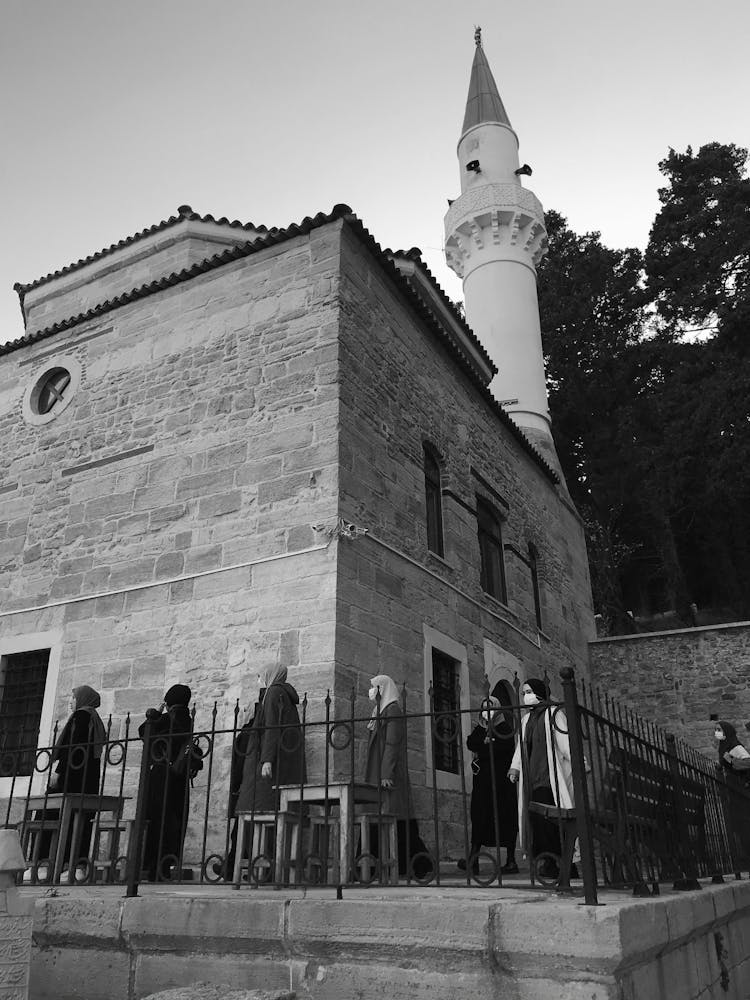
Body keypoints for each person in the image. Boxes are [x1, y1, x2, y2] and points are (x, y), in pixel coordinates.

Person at [25, 685, 107, 883]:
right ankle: (73, 866)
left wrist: (58, 773)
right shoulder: (95, 720)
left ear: (82, 699)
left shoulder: (81, 717)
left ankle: (42, 863)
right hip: (86, 781)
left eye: (73, 697)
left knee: (46, 814)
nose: (70, 701)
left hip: (70, 779)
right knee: (78, 821)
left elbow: (71, 749)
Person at [364, 674, 432, 880]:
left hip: (388, 775)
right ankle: (373, 865)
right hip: (378, 773)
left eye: (375, 687)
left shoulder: (392, 710)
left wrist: (386, 773)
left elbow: (392, 744)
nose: (371, 691)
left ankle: (419, 864)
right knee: (382, 817)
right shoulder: (380, 711)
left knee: (395, 818)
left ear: (383, 689)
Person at [508, 678, 575, 880]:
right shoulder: (526, 720)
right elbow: (521, 746)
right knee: (538, 822)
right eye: (523, 693)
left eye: (529, 691)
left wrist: (580, 761)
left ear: (539, 693)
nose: (526, 696)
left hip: (550, 777)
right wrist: (515, 768)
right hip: (532, 779)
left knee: (553, 822)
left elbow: (566, 741)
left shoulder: (554, 715)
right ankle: (548, 862)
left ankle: (565, 863)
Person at [139, 683, 194, 881]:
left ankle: (153, 867)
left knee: (158, 820)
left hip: (162, 776)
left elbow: (143, 732)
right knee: (175, 821)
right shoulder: (187, 718)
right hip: (179, 776)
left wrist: (157, 712)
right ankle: (168, 863)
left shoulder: (166, 718)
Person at [458, 694, 518, 877]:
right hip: (483, 784)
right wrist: (485, 744)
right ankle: (473, 859)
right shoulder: (481, 728)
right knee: (479, 817)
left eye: (490, 708)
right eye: (484, 708)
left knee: (505, 818)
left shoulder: (504, 728)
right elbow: (470, 742)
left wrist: (484, 746)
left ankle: (510, 861)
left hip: (501, 784)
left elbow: (503, 748)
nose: (487, 712)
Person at [235, 666, 306, 818]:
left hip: (271, 761)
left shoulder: (273, 692)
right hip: (280, 759)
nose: (259, 680)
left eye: (261, 675)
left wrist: (267, 760)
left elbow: (271, 727)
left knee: (261, 806)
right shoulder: (282, 694)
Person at [212, 691, 264, 879]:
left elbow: (240, 764)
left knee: (241, 832)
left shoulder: (247, 733)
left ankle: (231, 868)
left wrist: (235, 787)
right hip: (257, 786)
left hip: (246, 786)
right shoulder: (258, 731)